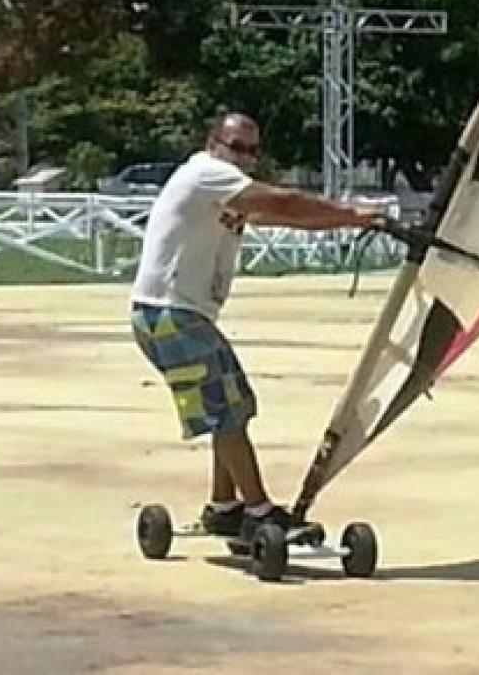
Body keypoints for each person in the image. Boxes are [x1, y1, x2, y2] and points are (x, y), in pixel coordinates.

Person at [129, 111, 386, 539]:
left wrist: (354, 220)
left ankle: (224, 505)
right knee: (226, 413)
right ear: (214, 144)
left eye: (252, 151)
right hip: (168, 314)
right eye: (237, 148)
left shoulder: (227, 192)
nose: (245, 159)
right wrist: (352, 213)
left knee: (234, 407)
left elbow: (284, 214)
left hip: (183, 315)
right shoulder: (206, 174)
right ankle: (260, 512)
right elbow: (280, 201)